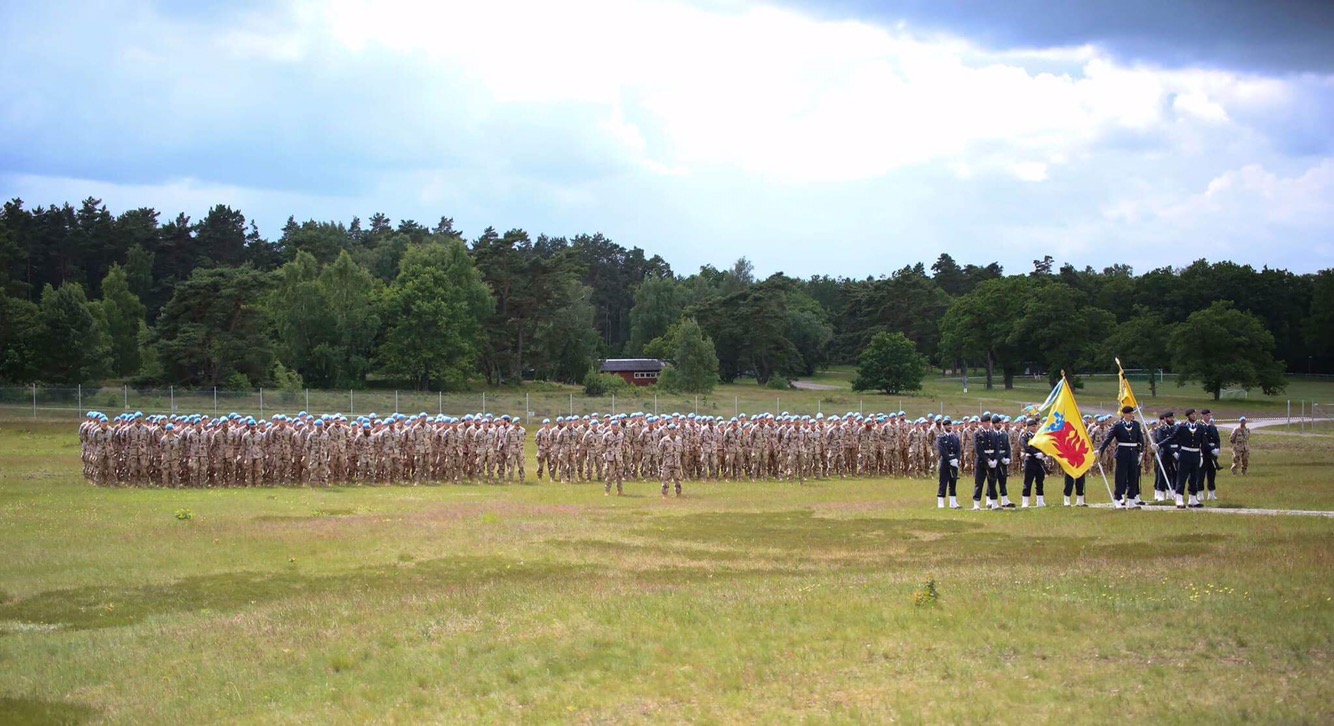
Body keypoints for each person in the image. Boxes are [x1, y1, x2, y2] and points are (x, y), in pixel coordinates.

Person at [1098, 406, 1145, 509]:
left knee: (1133, 477)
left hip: (1133, 454)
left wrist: (1141, 453)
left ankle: (1131, 500)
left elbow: (1140, 440)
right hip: (1122, 453)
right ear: (1124, 414)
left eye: (1131, 413)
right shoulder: (1118, 425)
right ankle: (1118, 499)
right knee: (1120, 477)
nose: (1131, 415)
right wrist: (1101, 450)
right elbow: (1108, 438)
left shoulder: (1136, 425)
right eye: (1128, 413)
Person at [1159, 408, 1206, 509]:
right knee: (1182, 477)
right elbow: (1172, 437)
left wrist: (1202, 455)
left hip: (1196, 454)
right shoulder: (1182, 427)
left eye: (1195, 414)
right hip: (1185, 454)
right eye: (1192, 414)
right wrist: (1159, 445)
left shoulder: (1200, 427)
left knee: (1194, 477)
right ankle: (1179, 498)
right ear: (1188, 416)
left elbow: (1203, 442)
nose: (1194, 416)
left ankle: (1192, 499)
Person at [971, 414, 1001, 510]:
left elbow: (997, 448)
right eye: (986, 422)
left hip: (992, 461)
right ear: (982, 423)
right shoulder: (978, 433)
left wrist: (995, 459)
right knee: (979, 483)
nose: (988, 424)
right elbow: (978, 449)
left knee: (992, 483)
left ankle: (994, 503)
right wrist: (987, 460)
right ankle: (976, 504)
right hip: (981, 462)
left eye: (989, 422)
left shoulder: (993, 434)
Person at [936, 418, 962, 509]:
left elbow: (958, 450)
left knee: (953, 481)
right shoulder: (941, 437)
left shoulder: (955, 437)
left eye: (950, 425)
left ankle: (953, 502)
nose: (949, 427)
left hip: (954, 463)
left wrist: (956, 460)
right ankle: (940, 501)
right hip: (945, 463)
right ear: (944, 426)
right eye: (947, 425)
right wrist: (950, 460)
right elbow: (942, 451)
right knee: (943, 482)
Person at [1020, 417, 1046, 508]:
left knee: (1040, 480)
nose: (1035, 428)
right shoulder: (1025, 436)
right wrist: (1035, 453)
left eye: (1035, 426)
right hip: (1030, 460)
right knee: (1028, 481)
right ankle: (1025, 501)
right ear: (1028, 427)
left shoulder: (1039, 436)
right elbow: (1026, 447)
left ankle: (1040, 500)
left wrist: (1043, 454)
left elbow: (1044, 445)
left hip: (1039, 461)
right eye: (1033, 426)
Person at [1200, 409, 1222, 500]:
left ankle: (1211, 493)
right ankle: (1200, 493)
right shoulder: (1200, 426)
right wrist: (1211, 449)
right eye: (1207, 416)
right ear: (1203, 416)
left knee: (1211, 473)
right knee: (1201, 474)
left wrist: (1217, 448)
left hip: (1212, 454)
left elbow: (1217, 439)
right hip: (1204, 453)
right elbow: (1203, 441)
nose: (1208, 417)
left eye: (1209, 415)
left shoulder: (1213, 427)